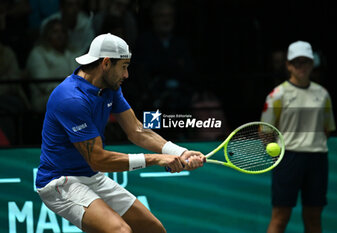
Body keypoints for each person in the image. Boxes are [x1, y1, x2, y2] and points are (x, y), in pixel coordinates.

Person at [35, 33, 206, 233]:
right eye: (123, 67)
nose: (126, 75)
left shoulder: (109, 87)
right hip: (60, 182)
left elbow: (136, 130)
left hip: (91, 176)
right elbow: (98, 159)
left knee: (153, 229)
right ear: (106, 63)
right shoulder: (71, 99)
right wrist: (156, 159)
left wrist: (179, 152)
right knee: (120, 231)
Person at [261, 41, 336, 233]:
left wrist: (311, 145)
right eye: (297, 62)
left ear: (312, 64)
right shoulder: (277, 94)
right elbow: (265, 131)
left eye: (305, 62)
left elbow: (326, 129)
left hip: (317, 159)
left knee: (313, 218)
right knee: (280, 217)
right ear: (288, 65)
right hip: (288, 159)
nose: (301, 67)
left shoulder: (323, 94)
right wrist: (279, 157)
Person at [26, 18, 80, 113]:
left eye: (63, 32)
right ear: (47, 34)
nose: (60, 35)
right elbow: (45, 85)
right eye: (55, 32)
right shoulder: (38, 53)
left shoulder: (73, 53)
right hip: (46, 98)